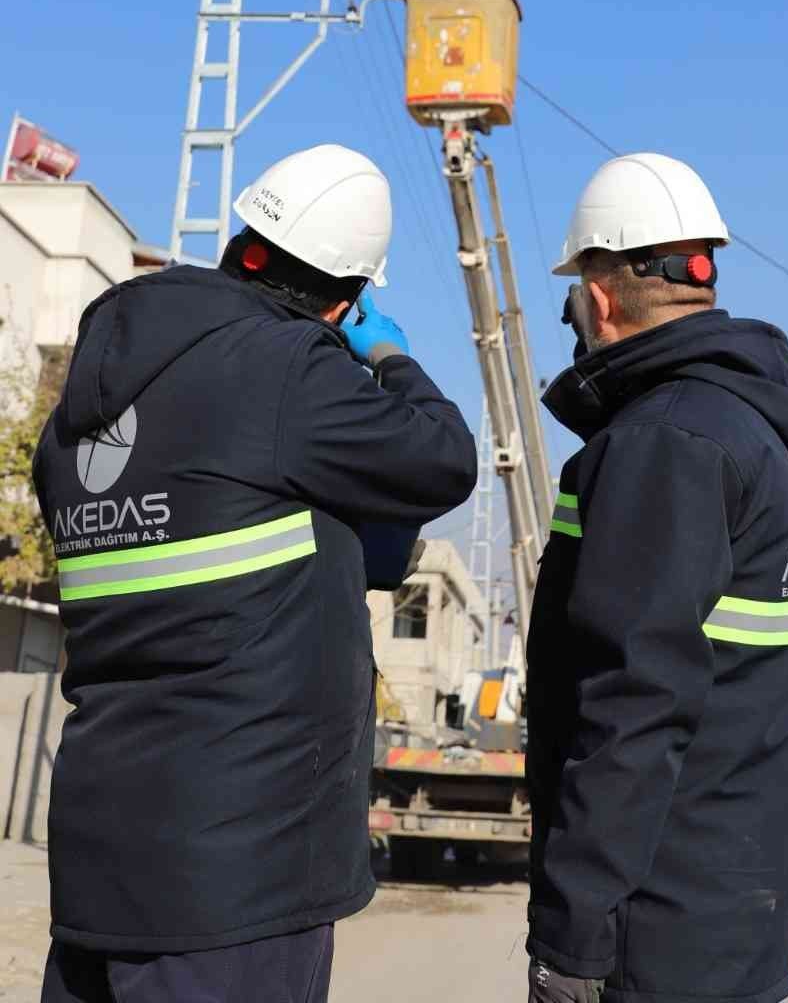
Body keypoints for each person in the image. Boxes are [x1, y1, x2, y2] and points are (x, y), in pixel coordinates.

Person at [32, 143, 477, 1003]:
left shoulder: (83, 409)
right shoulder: (282, 371)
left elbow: (248, 530)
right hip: (239, 879)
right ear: (345, 301)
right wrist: (388, 359)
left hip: (98, 856)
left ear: (243, 243)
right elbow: (443, 458)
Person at [525, 153, 788, 1003]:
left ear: (602, 295)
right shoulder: (747, 429)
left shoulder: (664, 443)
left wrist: (572, 937)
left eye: (574, 294)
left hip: (658, 923)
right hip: (731, 909)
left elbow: (633, 703)